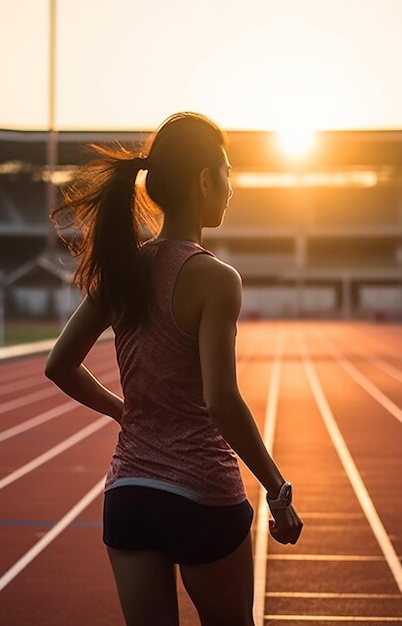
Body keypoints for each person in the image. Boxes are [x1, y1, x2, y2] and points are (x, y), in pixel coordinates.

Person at [45, 112, 303, 626]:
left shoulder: (123, 269)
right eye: (227, 173)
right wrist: (277, 489)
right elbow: (220, 401)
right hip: (203, 494)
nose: (231, 188)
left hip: (131, 494)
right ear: (205, 179)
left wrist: (125, 413)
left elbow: (60, 365)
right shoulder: (215, 279)